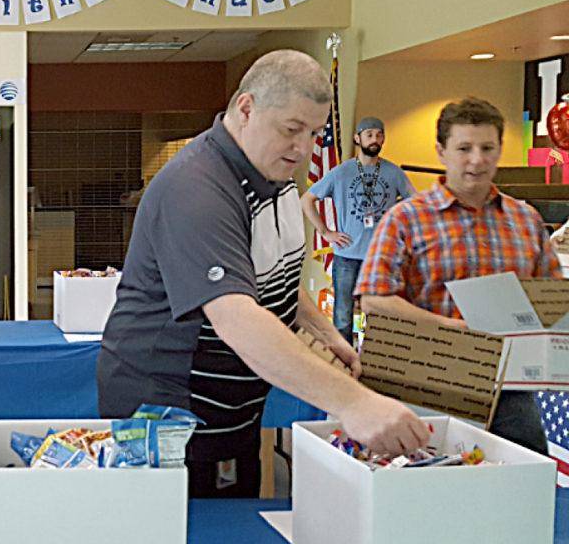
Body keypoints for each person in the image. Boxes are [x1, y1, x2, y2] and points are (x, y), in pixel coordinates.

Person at [96, 50, 431, 498]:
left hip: (234, 409)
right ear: (247, 109)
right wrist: (356, 404)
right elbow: (237, 317)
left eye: (314, 133)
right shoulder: (196, 187)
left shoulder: (273, 173)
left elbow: (276, 272)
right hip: (168, 412)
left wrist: (323, 330)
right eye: (291, 130)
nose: (304, 148)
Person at [358, 97, 554, 454]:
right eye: (464, 148)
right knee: (432, 487)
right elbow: (374, 300)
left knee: (529, 480)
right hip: (427, 379)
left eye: (487, 148)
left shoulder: (526, 220)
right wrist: (449, 329)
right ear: (441, 151)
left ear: (499, 151)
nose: (477, 159)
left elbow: (552, 297)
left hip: (505, 386)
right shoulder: (405, 219)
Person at [301, 117, 414, 343]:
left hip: (380, 258)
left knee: (382, 315)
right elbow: (307, 200)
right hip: (347, 256)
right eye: (369, 134)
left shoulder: (394, 173)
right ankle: (344, 359)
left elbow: (415, 205)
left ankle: (376, 361)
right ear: (357, 138)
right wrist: (325, 232)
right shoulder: (341, 172)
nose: (374, 139)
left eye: (379, 135)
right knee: (342, 315)